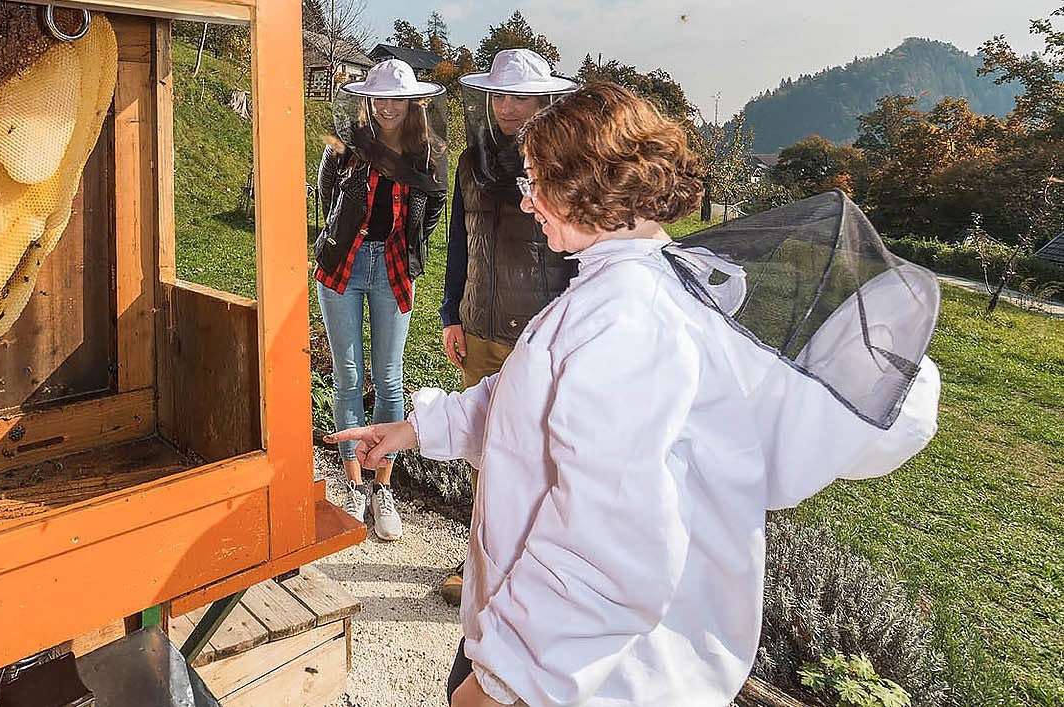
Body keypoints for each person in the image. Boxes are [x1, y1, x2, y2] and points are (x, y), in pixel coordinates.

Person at [329, 82, 941, 706]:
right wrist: (421, 428)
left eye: (537, 180)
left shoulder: (627, 322)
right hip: (552, 636)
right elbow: (534, 402)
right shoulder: (632, 286)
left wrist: (508, 682)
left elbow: (610, 543)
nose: (527, 198)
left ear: (587, 183)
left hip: (588, 672)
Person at [436, 48, 578, 605]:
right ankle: (480, 561)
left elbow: (576, 251)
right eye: (500, 95)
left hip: (538, 335)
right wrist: (452, 312)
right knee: (482, 450)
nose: (509, 107)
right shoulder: (472, 164)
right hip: (479, 328)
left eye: (521, 96)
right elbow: (458, 242)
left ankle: (533, 571)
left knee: (538, 455)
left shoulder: (563, 167)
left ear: (546, 101)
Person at [315, 59, 448, 541]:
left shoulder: (429, 153)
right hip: (343, 267)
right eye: (380, 97)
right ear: (368, 100)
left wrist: (407, 248)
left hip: (392, 269)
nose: (388, 106)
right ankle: (353, 484)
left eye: (398, 98)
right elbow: (325, 204)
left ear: (414, 104)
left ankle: (381, 487)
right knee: (348, 375)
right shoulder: (346, 146)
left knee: (390, 379)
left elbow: (432, 207)